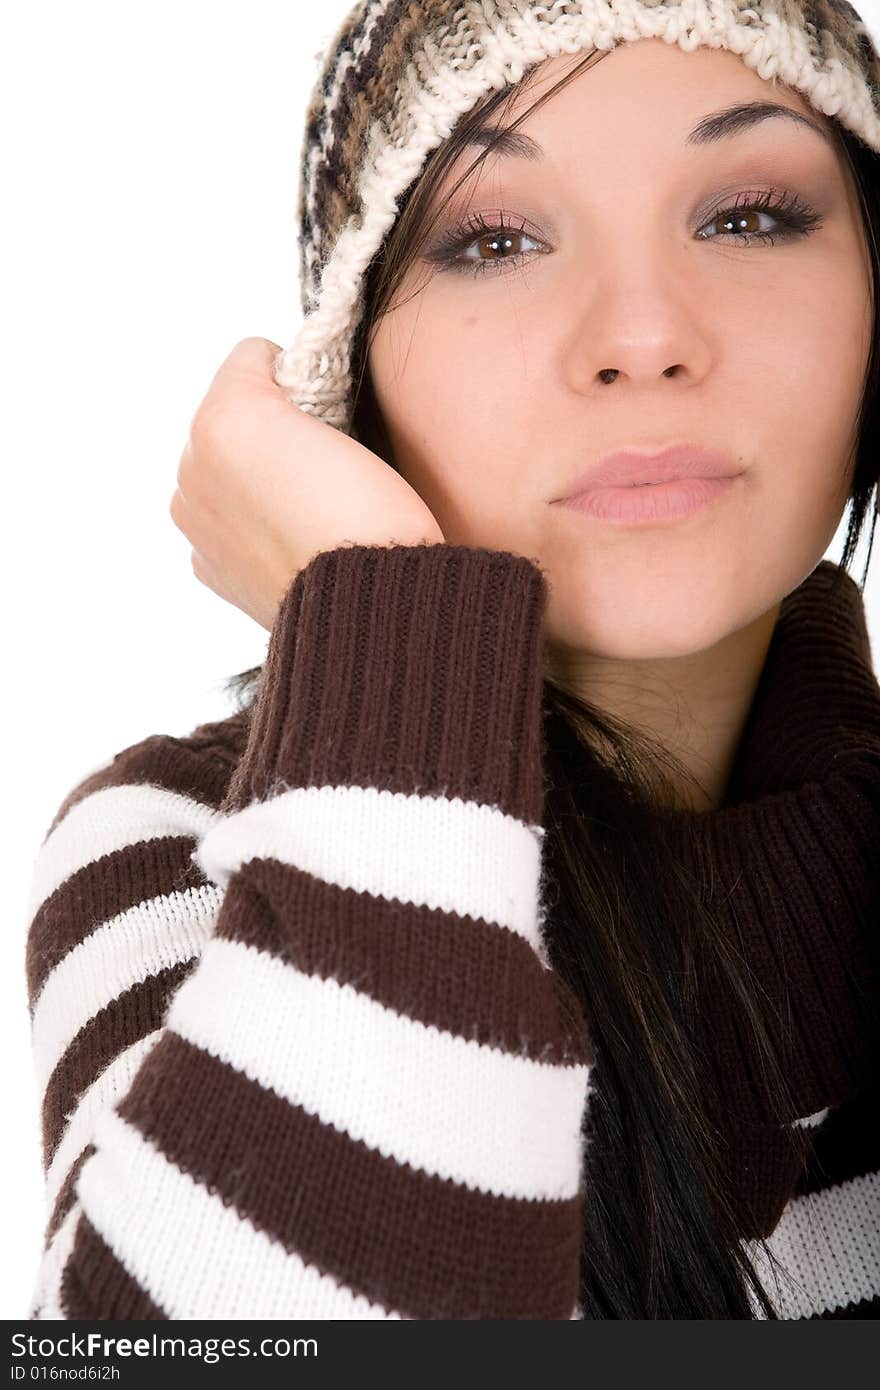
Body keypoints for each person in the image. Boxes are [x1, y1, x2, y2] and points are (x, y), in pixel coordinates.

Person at [25, 0, 880, 1320]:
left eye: (750, 214)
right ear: (352, 374)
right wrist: (374, 615)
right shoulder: (190, 853)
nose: (643, 334)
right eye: (493, 239)